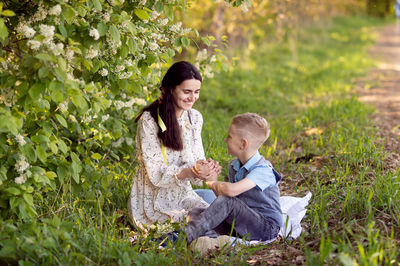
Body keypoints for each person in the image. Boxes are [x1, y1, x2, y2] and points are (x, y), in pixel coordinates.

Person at [128, 61, 221, 229]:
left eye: (196, 92)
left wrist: (206, 169)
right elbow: (154, 174)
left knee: (217, 215)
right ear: (170, 89)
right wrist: (189, 172)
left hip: (183, 194)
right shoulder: (149, 121)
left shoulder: (195, 117)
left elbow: (196, 159)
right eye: (187, 92)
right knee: (203, 222)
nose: (193, 98)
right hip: (153, 202)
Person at [184, 113, 282, 244]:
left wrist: (212, 182)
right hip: (241, 225)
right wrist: (212, 179)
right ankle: (210, 239)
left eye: (229, 136)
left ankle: (182, 238)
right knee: (196, 213)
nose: (225, 140)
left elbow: (230, 193)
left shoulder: (263, 170)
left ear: (243, 144)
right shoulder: (234, 166)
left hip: (265, 228)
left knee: (226, 202)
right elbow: (226, 202)